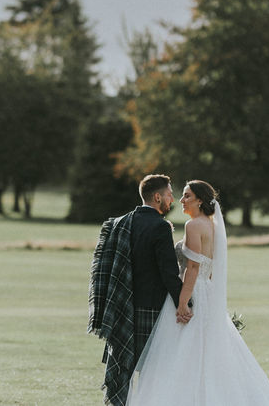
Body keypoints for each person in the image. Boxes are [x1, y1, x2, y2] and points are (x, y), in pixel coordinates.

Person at [127, 180, 269, 405]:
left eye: (187, 196)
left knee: (182, 355)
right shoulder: (213, 226)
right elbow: (209, 270)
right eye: (181, 195)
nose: (181, 200)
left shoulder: (193, 226)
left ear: (200, 200)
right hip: (208, 294)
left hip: (192, 292)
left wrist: (183, 303)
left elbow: (193, 268)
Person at [88, 174, 188, 406]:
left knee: (124, 368)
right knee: (153, 372)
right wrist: (186, 303)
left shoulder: (120, 222)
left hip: (120, 306)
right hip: (150, 308)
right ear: (157, 196)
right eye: (170, 194)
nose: (172, 199)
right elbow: (169, 274)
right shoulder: (160, 227)